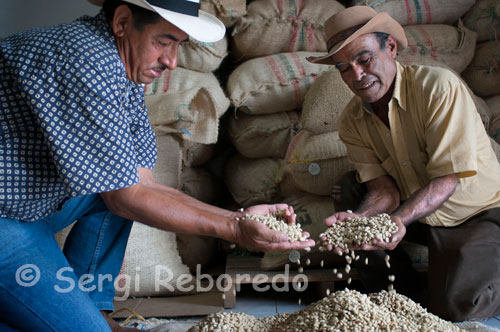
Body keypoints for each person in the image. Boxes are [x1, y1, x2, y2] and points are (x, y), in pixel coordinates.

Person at [0, 1, 315, 331]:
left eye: (178, 45)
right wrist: (235, 229)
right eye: (163, 41)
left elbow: (141, 183)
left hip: (28, 207)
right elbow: (128, 196)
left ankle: (93, 308)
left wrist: (239, 219)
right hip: (7, 220)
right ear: (122, 21)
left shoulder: (124, 69)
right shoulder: (85, 59)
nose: (172, 61)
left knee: (113, 188)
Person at [308, 6, 500, 322]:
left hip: (472, 214)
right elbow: (383, 189)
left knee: (458, 309)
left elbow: (447, 180)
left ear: (391, 48)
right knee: (348, 187)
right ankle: (394, 295)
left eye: (365, 59)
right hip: (420, 215)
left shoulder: (438, 87)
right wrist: (359, 219)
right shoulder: (353, 120)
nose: (357, 75)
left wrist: (398, 220)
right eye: (344, 67)